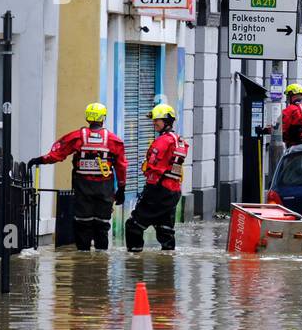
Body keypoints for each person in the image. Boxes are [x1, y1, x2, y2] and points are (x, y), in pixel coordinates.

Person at [28, 102, 127, 251]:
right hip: (105, 189)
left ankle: (83, 261)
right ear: (103, 118)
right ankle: (101, 265)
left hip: (83, 188)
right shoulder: (114, 141)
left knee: (83, 224)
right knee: (102, 225)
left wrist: (40, 160)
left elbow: (57, 153)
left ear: (87, 118)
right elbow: (121, 166)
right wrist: (121, 188)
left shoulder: (76, 137)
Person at [124, 103, 188, 252]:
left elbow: (152, 165)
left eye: (156, 120)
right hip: (173, 191)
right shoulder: (179, 140)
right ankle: (166, 270)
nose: (154, 123)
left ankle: (134, 263)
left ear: (166, 121)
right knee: (165, 229)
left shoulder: (162, 141)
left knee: (134, 225)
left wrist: (146, 167)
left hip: (158, 190)